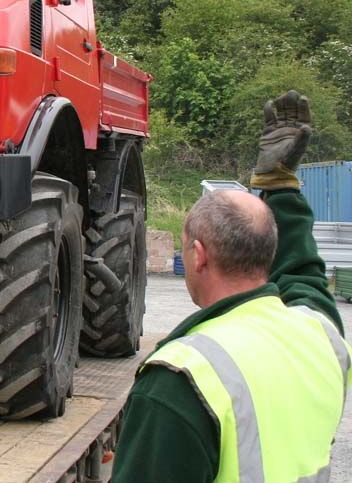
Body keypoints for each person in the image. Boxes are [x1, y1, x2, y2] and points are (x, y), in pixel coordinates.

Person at [112, 90, 351, 482]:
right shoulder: (321, 337)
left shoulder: (180, 379)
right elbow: (305, 276)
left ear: (198, 255)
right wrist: (281, 187)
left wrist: (278, 187)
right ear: (267, 250)